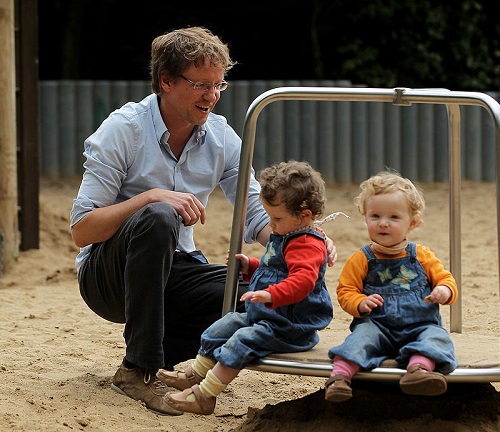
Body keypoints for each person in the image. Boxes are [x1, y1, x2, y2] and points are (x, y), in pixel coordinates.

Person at [69, 27, 336, 416]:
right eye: (200, 85)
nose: (212, 96)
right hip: (107, 278)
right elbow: (82, 231)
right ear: (166, 81)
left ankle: (165, 362)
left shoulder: (223, 138)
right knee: (158, 215)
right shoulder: (123, 130)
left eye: (219, 85)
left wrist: (303, 235)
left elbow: (255, 213)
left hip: (175, 268)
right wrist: (151, 196)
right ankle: (136, 370)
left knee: (253, 291)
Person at [155, 160, 334, 415]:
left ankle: (205, 395)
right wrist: (250, 266)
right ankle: (195, 374)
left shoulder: (307, 243)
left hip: (291, 325)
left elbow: (303, 280)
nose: (270, 224)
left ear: (304, 215)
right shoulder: (287, 234)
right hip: (267, 315)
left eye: (276, 218)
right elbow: (276, 266)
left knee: (240, 340)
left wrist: (271, 294)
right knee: (222, 326)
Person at [324, 170, 458, 403]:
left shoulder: (422, 255)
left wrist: (443, 292)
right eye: (375, 216)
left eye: (394, 218)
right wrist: (361, 302)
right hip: (377, 325)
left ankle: (418, 371)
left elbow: (446, 280)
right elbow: (346, 291)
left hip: (420, 325)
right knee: (359, 339)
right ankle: (340, 378)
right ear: (365, 218)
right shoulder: (362, 258)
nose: (383, 223)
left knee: (437, 337)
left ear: (412, 223)